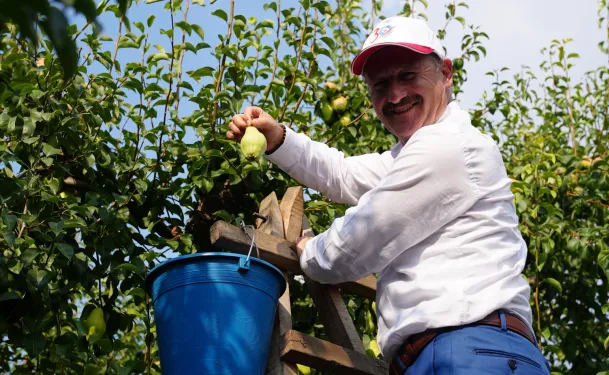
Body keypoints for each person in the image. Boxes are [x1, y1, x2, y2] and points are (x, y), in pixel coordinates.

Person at [226, 15, 552, 375]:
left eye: (408, 76)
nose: (394, 95)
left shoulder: (447, 147)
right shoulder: (415, 154)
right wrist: (278, 138)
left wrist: (309, 252)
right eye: (380, 84)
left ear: (445, 73)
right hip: (448, 354)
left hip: (471, 350)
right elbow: (342, 173)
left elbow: (361, 237)